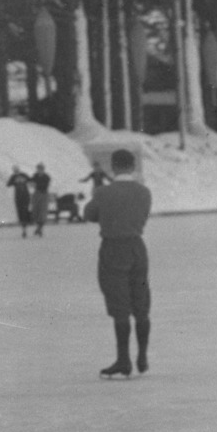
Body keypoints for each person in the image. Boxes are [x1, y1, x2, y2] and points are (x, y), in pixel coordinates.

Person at [83, 148, 152, 378]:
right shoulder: (144, 192)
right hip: (137, 247)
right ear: (133, 167)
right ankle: (142, 355)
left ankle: (124, 360)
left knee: (119, 304)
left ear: (113, 166)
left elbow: (89, 214)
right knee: (141, 303)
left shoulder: (104, 192)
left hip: (113, 248)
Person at [7, 166, 33, 237]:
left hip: (25, 196)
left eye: (17, 170)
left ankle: (25, 226)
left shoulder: (23, 175)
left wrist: (24, 181)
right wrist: (14, 181)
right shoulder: (13, 177)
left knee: (25, 210)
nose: (16, 171)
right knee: (20, 212)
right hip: (18, 197)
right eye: (15, 170)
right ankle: (23, 227)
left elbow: (31, 180)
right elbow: (8, 184)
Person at [30, 163, 52, 236]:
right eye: (38, 169)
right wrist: (32, 184)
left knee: (42, 212)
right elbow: (31, 182)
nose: (39, 170)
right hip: (36, 194)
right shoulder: (35, 176)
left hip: (43, 194)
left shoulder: (46, 177)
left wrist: (36, 185)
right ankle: (38, 227)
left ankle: (39, 228)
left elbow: (45, 186)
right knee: (36, 211)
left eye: (41, 169)